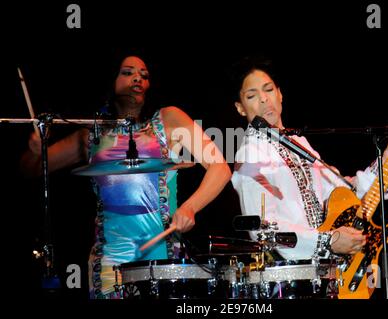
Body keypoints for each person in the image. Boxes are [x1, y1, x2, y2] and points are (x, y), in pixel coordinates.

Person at [20, 55, 231, 299]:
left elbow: (220, 167)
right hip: (110, 261)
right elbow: (29, 169)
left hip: (163, 258)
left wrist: (190, 208)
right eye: (127, 72)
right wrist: (36, 151)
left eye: (144, 74)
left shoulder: (169, 119)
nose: (137, 78)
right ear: (111, 80)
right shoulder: (90, 135)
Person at [229, 56, 388, 268]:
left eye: (269, 90)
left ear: (280, 94)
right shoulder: (251, 154)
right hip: (293, 277)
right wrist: (329, 241)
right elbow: (264, 231)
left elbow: (345, 194)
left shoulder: (298, 142)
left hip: (327, 271)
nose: (263, 99)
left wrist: (387, 165)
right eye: (252, 95)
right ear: (240, 108)